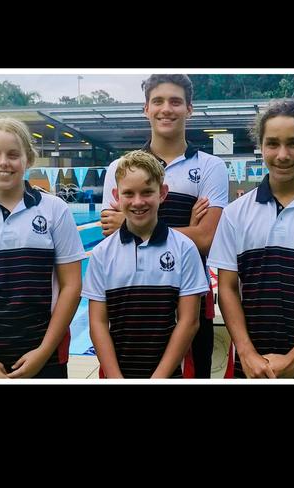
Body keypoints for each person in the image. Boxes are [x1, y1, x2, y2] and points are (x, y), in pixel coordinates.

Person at [100, 74, 228, 378]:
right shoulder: (119, 169)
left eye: (175, 101)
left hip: (189, 297)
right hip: (130, 298)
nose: (166, 109)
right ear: (146, 109)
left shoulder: (211, 167)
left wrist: (130, 222)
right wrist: (187, 230)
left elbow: (208, 237)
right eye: (157, 101)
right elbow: (112, 234)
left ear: (189, 109)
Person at [83, 150, 209, 378]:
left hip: (170, 373)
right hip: (117, 372)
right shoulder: (102, 253)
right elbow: (98, 324)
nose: (138, 202)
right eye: (128, 193)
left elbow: (189, 322)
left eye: (147, 192)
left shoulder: (184, 248)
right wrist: (115, 378)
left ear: (162, 193)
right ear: (116, 195)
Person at [207, 100, 294, 378]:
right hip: (252, 364)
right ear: (260, 146)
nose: (282, 155)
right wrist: (247, 353)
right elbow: (229, 289)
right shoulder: (235, 214)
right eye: (273, 143)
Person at [0, 117, 85, 379]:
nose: (3, 162)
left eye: (13, 154)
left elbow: (72, 285)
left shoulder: (54, 209)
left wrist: (44, 351)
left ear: (28, 160)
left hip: (47, 354)